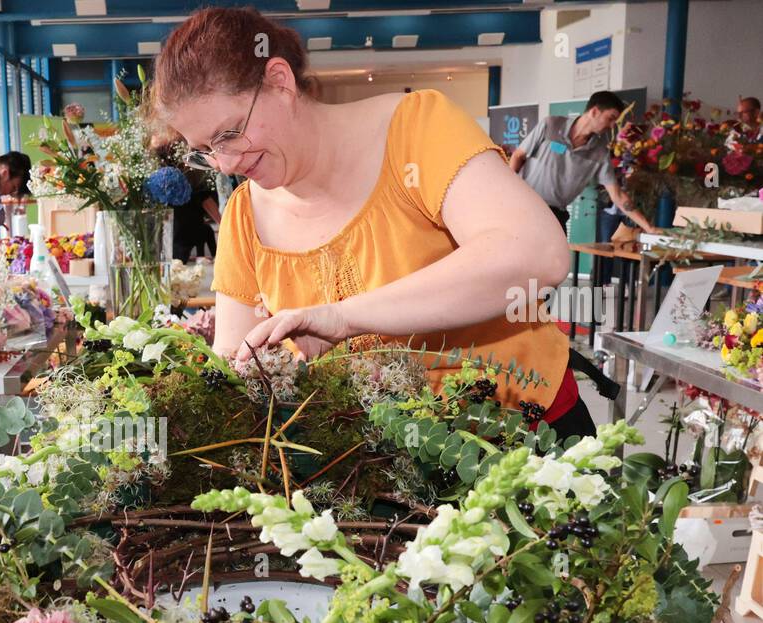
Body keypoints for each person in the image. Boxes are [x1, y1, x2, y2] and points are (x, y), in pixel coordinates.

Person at [154, 8, 594, 438]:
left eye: (230, 133)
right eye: (205, 149)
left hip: (526, 438)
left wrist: (343, 318)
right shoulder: (244, 216)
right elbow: (237, 362)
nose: (226, 163)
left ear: (279, 81)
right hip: (383, 468)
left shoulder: (415, 129)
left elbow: (535, 254)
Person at [509, 90, 654, 236]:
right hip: (523, 207)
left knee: (557, 259)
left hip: (554, 218)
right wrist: (506, 195)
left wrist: (649, 228)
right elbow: (518, 156)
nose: (611, 126)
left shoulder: (599, 152)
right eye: (610, 118)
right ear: (594, 112)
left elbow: (617, 195)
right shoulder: (551, 125)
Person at [172, 168, 222, 261]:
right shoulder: (194, 176)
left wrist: (223, 224)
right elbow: (206, 200)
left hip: (185, 228)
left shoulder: (194, 177)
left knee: (179, 261)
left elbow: (205, 199)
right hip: (182, 229)